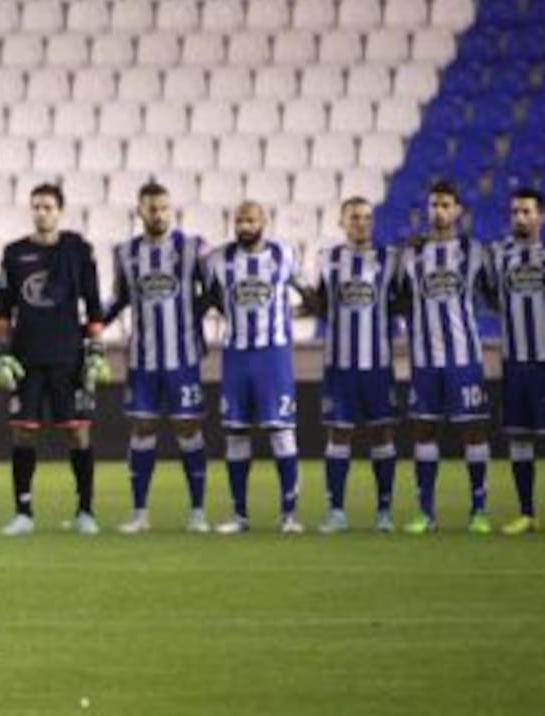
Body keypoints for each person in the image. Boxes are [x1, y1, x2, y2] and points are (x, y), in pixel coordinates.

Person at [0, 183, 110, 536]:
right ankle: (23, 513)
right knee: (23, 433)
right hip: (27, 357)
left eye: (48, 207)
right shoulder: (15, 254)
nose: (41, 213)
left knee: (78, 432)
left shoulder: (78, 250)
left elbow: (93, 306)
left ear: (60, 211)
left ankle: (85, 511)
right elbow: (3, 310)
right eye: (37, 207)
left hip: (68, 356)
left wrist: (96, 351)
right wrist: (2, 353)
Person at [104, 182, 210, 534]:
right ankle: (140, 513)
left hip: (184, 358)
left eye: (164, 208)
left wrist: (197, 316)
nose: (159, 215)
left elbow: (214, 290)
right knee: (142, 428)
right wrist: (90, 324)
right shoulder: (125, 253)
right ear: (140, 211)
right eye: (152, 209)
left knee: (188, 428)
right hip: (143, 359)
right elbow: (118, 298)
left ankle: (198, 512)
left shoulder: (193, 248)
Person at [205, 201, 309, 534]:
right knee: (236, 433)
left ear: (264, 222)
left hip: (273, 356)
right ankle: (240, 516)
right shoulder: (218, 260)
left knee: (281, 432)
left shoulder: (284, 255)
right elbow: (210, 298)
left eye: (251, 220)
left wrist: (292, 315)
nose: (244, 226)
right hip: (236, 356)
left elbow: (309, 293)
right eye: (239, 220)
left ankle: (289, 515)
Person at [399, 180, 492, 534]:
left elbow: (493, 294)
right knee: (424, 431)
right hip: (424, 360)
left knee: (474, 432)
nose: (438, 211)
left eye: (445, 205)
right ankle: (426, 513)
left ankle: (479, 510)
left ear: (458, 210)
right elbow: (400, 299)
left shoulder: (474, 251)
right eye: (434, 205)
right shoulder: (411, 255)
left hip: (464, 359)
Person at [310, 198, 402, 534]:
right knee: (339, 433)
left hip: (378, 364)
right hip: (340, 365)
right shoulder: (327, 259)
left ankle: (384, 512)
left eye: (366, 217)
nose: (361, 223)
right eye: (354, 218)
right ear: (342, 222)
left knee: (382, 433)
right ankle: (336, 512)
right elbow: (320, 304)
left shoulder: (390, 259)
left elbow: (402, 301)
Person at [483, 187, 545, 535]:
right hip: (516, 362)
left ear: (540, 216)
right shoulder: (499, 255)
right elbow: (492, 296)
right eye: (515, 212)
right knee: (520, 438)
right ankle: (527, 513)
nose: (519, 218)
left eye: (526, 212)